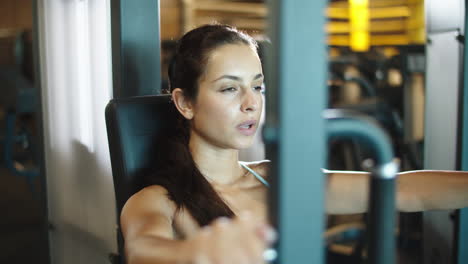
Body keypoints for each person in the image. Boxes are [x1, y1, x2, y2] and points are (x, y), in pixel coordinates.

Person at [120, 24, 468, 264]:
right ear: (185, 103)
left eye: (257, 86)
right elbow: (142, 249)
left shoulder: (276, 180)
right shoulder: (158, 200)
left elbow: (406, 191)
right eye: (229, 88)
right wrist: (195, 253)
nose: (251, 103)